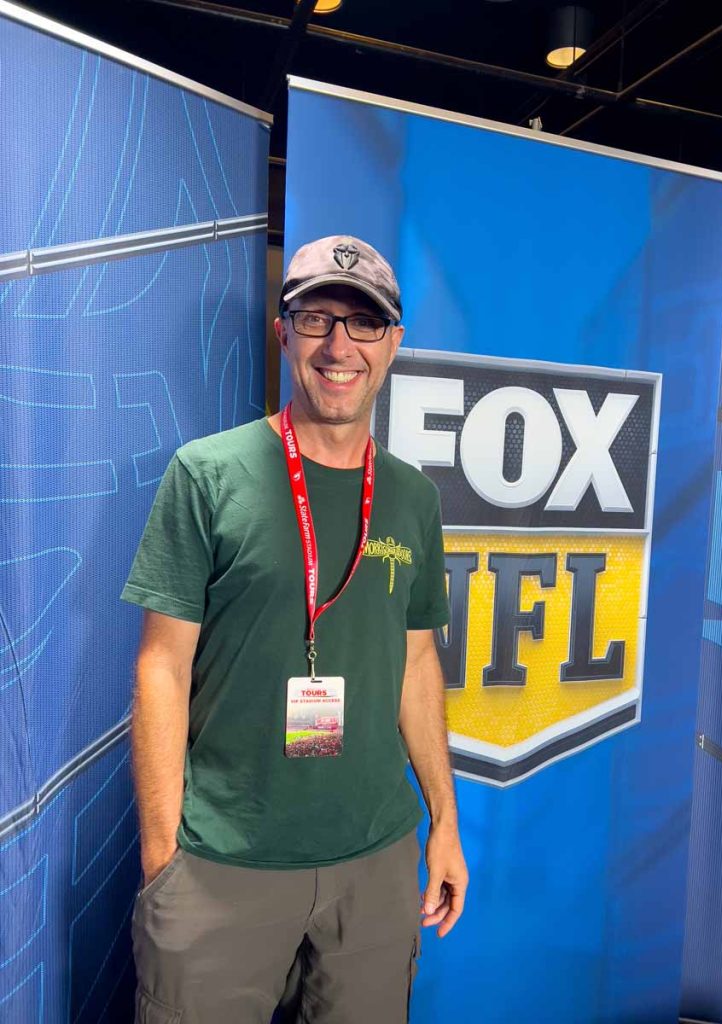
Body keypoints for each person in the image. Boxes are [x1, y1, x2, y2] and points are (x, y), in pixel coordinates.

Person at [121, 235, 468, 1024]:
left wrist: (443, 823)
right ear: (284, 332)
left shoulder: (413, 499)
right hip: (221, 864)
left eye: (364, 323)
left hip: (375, 866)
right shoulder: (207, 474)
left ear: (393, 345)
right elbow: (161, 669)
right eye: (316, 318)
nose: (339, 345)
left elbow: (418, 665)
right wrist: (162, 856)